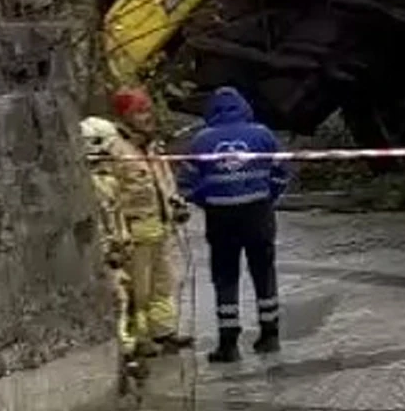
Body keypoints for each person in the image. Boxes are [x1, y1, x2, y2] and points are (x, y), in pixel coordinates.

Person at [182, 87, 290, 363]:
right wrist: (268, 197)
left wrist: (209, 199)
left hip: (221, 218)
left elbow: (187, 184)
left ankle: (228, 343)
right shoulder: (262, 134)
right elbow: (281, 172)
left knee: (225, 276)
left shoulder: (201, 141)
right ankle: (270, 335)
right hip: (258, 214)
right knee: (264, 272)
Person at [110, 87, 195, 357]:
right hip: (135, 231)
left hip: (161, 225)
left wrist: (176, 202)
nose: (146, 116)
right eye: (139, 112)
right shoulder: (116, 150)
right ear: (126, 116)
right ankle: (139, 339)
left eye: (147, 110)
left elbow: (164, 181)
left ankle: (165, 332)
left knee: (164, 283)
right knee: (138, 289)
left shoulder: (152, 146)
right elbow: (111, 193)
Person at [80, 116, 142, 377]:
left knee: (125, 298)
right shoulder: (91, 185)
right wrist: (112, 250)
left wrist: (124, 239)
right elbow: (100, 223)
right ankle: (123, 357)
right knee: (118, 300)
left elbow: (117, 217)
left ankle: (127, 351)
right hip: (105, 258)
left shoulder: (108, 180)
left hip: (117, 251)